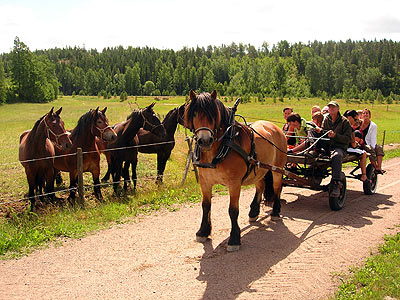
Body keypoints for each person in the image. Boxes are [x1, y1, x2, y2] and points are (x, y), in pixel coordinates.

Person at [315, 101, 352, 197]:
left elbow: (348, 139)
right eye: (330, 107)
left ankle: (336, 183)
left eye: (333, 107)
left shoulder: (345, 122)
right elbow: (324, 133)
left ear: (338, 109)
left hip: (339, 147)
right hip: (327, 146)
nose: (331, 109)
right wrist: (320, 131)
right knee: (312, 132)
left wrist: (335, 136)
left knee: (336, 156)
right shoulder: (326, 119)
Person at [360, 108, 385, 174]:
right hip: (361, 143)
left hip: (370, 142)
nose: (365, 114)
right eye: (364, 113)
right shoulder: (359, 123)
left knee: (379, 149)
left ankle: (379, 167)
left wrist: (373, 147)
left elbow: (373, 137)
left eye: (367, 113)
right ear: (361, 115)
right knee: (371, 151)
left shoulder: (373, 125)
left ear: (369, 115)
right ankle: (375, 166)